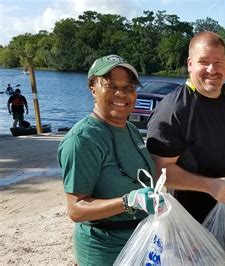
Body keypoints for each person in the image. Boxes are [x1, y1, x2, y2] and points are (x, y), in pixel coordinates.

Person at [57, 55, 159, 265]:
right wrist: (128, 201)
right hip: (106, 252)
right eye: (111, 86)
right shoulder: (83, 139)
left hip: (141, 243)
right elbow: (76, 210)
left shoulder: (130, 129)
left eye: (129, 87)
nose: (121, 94)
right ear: (93, 88)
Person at [146, 31, 225, 224]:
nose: (212, 69)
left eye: (219, 62)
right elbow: (159, 171)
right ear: (190, 64)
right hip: (193, 223)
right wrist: (210, 186)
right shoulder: (173, 109)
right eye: (204, 61)